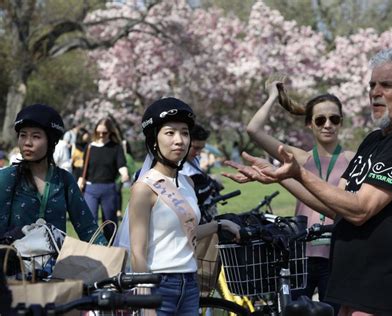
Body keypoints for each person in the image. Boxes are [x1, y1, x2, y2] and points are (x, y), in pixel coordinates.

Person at [224, 47, 392, 316]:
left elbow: (360, 209)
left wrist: (299, 173)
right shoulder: (374, 140)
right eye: (372, 85)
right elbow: (338, 206)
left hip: (385, 291)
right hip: (353, 287)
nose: (375, 92)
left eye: (386, 85)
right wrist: (280, 176)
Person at [246, 81, 353, 311]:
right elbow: (254, 130)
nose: (328, 125)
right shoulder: (299, 159)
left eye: (334, 119)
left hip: (337, 256)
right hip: (301, 256)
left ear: (341, 123)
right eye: (320, 119)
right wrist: (273, 96)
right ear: (309, 124)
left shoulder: (353, 159)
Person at [128, 97, 240, 315]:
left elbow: (185, 232)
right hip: (158, 286)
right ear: (154, 140)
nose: (179, 140)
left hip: (190, 283)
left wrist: (219, 225)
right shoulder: (144, 188)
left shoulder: (187, 183)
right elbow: (137, 253)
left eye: (184, 133)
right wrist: (146, 302)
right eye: (170, 133)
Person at [0, 104, 106, 243]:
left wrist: (109, 255)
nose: (27, 142)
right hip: (14, 262)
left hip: (57, 263)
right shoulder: (8, 178)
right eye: (23, 135)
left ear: (51, 142)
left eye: (36, 136)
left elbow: (88, 229)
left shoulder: (64, 180)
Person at [78, 117, 130, 241]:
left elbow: (121, 164)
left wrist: (125, 174)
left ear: (110, 132)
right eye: (98, 132)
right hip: (91, 189)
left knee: (110, 222)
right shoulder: (90, 147)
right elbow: (84, 167)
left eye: (105, 132)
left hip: (108, 189)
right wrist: (80, 180)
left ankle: (110, 248)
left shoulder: (115, 148)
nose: (101, 135)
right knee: (90, 220)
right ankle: (91, 247)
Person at [181, 124, 223, 223]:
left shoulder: (193, 159)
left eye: (201, 148)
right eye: (195, 148)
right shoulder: (177, 167)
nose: (198, 153)